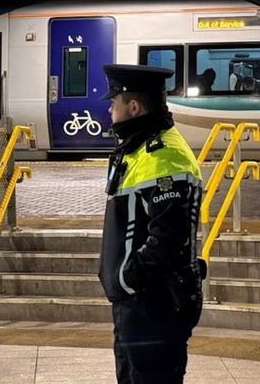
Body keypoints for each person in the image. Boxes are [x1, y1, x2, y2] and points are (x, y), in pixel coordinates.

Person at [99, 64, 204, 383]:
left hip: (152, 305)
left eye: (113, 102)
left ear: (133, 107)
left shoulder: (164, 155)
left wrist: (128, 280)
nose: (109, 110)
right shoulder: (138, 148)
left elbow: (167, 239)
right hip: (136, 303)